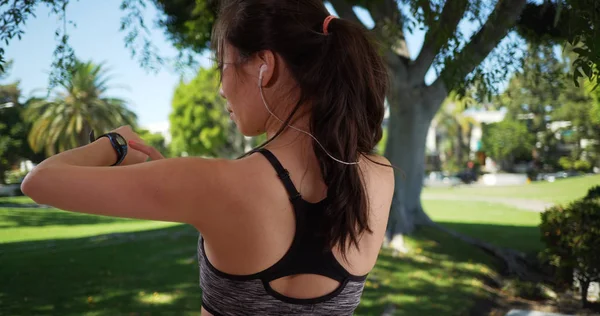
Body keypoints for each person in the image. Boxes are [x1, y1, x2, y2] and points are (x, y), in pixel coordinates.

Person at [21, 0, 395, 314]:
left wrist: (116, 143)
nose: (220, 89)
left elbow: (39, 182)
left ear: (265, 66)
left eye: (223, 66)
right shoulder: (380, 176)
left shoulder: (215, 183)